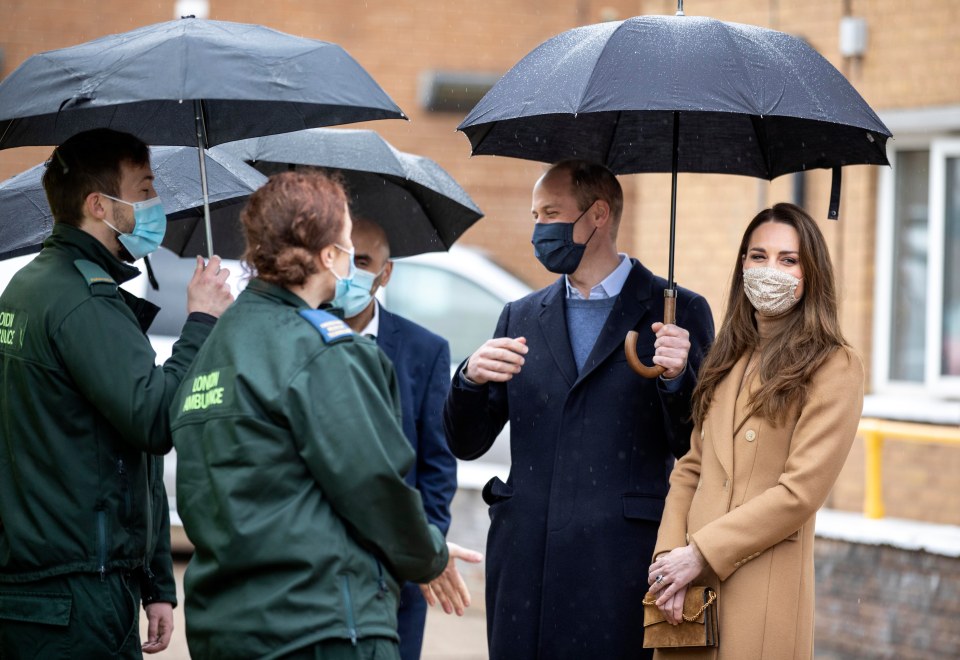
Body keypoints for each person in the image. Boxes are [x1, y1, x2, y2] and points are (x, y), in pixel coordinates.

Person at [170, 170, 481, 660]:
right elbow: (374, 483)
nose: (350, 257)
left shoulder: (215, 346)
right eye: (346, 240)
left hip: (226, 624)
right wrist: (430, 555)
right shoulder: (319, 348)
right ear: (326, 254)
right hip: (316, 627)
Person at [443, 159, 715, 658]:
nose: (538, 229)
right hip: (525, 564)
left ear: (598, 216)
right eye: (534, 215)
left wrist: (678, 378)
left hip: (619, 563)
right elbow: (467, 441)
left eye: (550, 213)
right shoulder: (520, 315)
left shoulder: (677, 311)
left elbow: (696, 445)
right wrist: (469, 379)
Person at [0, 128, 233, 658]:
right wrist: (199, 321)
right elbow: (155, 419)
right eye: (145, 189)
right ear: (99, 204)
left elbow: (126, 449)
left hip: (52, 587)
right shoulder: (81, 300)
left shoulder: (34, 285)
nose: (156, 204)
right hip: (75, 596)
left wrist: (154, 580)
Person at [646, 202, 865, 659]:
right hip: (687, 599)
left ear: (812, 275)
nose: (771, 270)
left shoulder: (834, 365)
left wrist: (700, 554)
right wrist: (667, 561)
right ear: (742, 265)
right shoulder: (728, 357)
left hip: (762, 592)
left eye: (789, 259)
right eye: (758, 256)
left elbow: (799, 494)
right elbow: (690, 469)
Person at [341, 216, 460, 660]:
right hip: (324, 568)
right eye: (342, 258)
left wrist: (423, 549)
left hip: (398, 573)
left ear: (385, 273)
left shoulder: (423, 350)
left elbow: (437, 464)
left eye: (363, 261)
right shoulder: (300, 336)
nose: (350, 272)